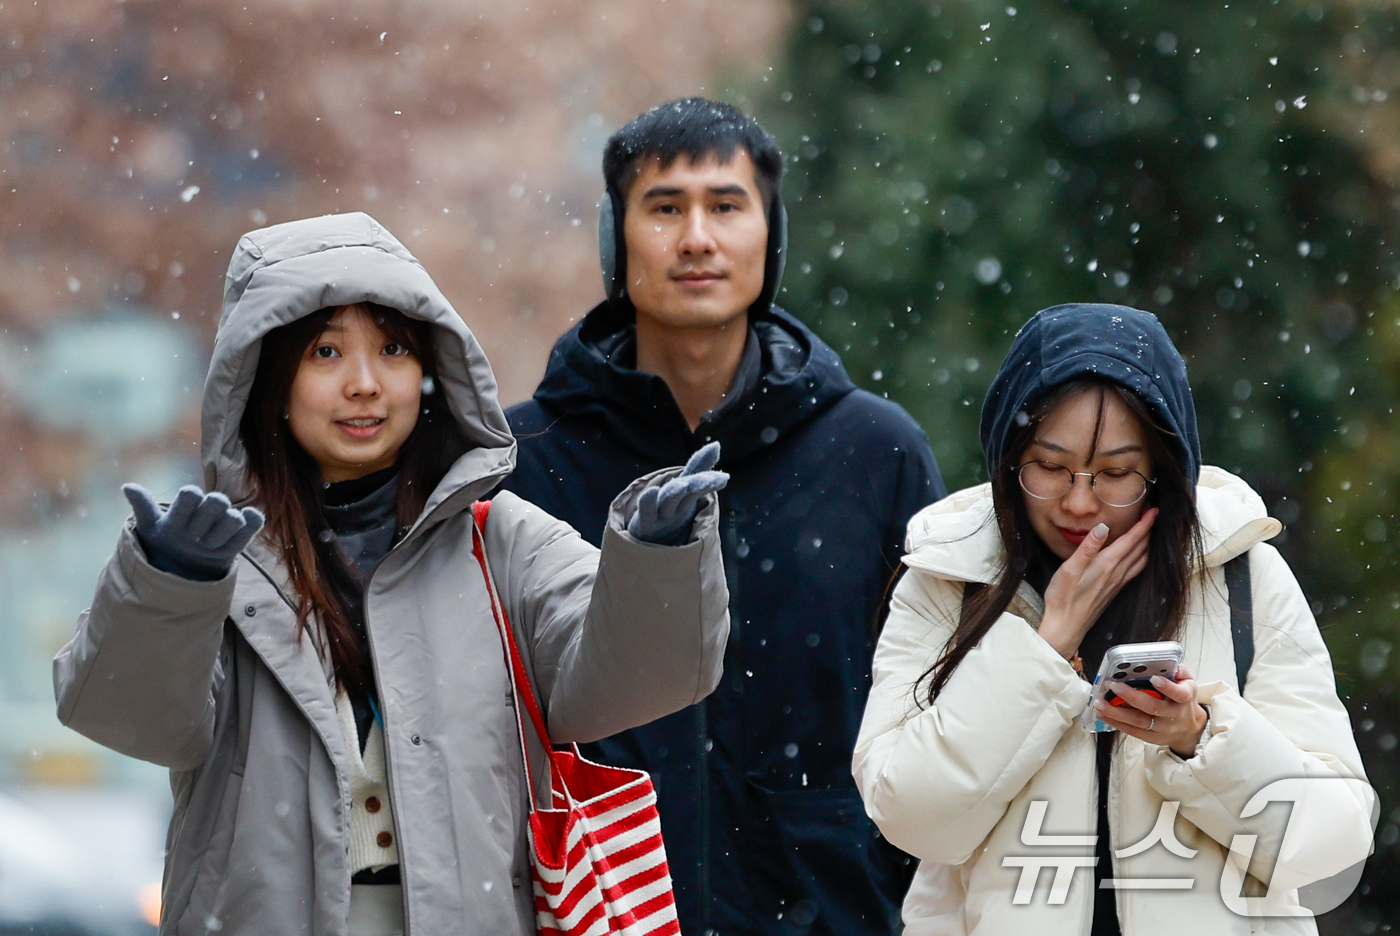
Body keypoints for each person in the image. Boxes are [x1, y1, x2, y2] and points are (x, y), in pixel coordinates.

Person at [53, 212, 732, 936]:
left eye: (393, 348)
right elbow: (134, 721)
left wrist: (659, 559)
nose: (365, 384)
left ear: (431, 372)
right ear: (266, 380)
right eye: (325, 352)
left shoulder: (500, 543)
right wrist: (171, 585)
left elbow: (639, 680)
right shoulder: (212, 556)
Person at [502, 98, 945, 935]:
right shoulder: (524, 462)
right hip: (597, 914)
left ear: (771, 238)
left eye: (727, 206)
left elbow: (937, 709)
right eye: (665, 208)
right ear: (614, 239)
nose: (697, 238)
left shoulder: (875, 454)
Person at [853, 303, 1373, 934]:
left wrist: (1197, 736)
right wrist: (1045, 647)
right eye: (1050, 467)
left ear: (1162, 470)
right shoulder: (949, 576)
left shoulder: (1242, 572)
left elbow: (1331, 845)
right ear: (1008, 459)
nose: (1078, 501)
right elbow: (911, 818)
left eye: (1116, 473)